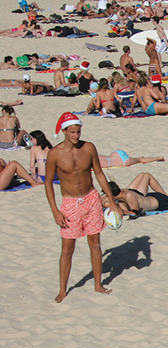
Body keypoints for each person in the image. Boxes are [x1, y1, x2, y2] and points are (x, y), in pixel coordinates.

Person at [46, 113, 121, 303]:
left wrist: (112, 201)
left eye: (78, 132)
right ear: (64, 131)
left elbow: (99, 174)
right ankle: (63, 289)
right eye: (72, 132)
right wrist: (55, 210)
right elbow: (48, 183)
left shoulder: (88, 148)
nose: (76, 136)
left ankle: (98, 284)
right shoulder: (55, 153)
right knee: (67, 249)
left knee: (95, 243)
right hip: (70, 203)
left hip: (91, 199)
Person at [102, 173, 168, 215]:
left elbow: (136, 212)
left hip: (160, 202)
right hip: (151, 198)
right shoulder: (120, 199)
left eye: (106, 194)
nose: (106, 196)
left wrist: (123, 212)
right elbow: (125, 210)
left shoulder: (128, 195)